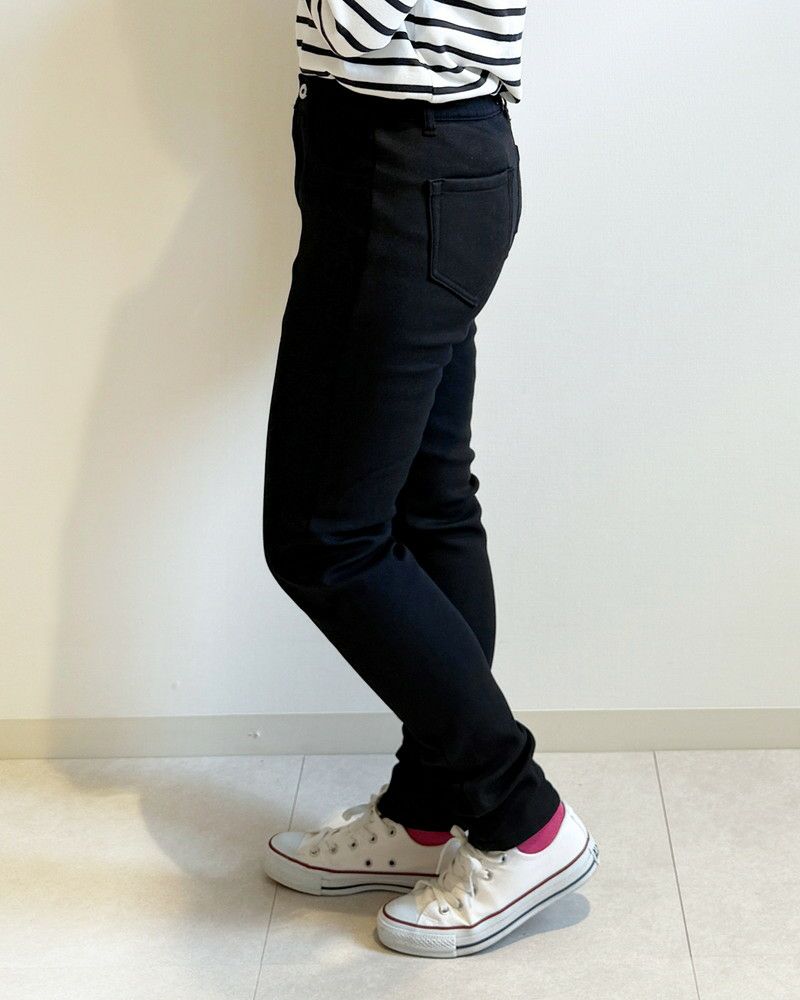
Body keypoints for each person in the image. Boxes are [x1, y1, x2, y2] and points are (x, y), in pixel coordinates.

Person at [261, 1, 599, 957]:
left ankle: (521, 817)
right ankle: (428, 810)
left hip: (405, 164)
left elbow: (358, 21)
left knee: (326, 538)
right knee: (427, 499)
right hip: (416, 156)